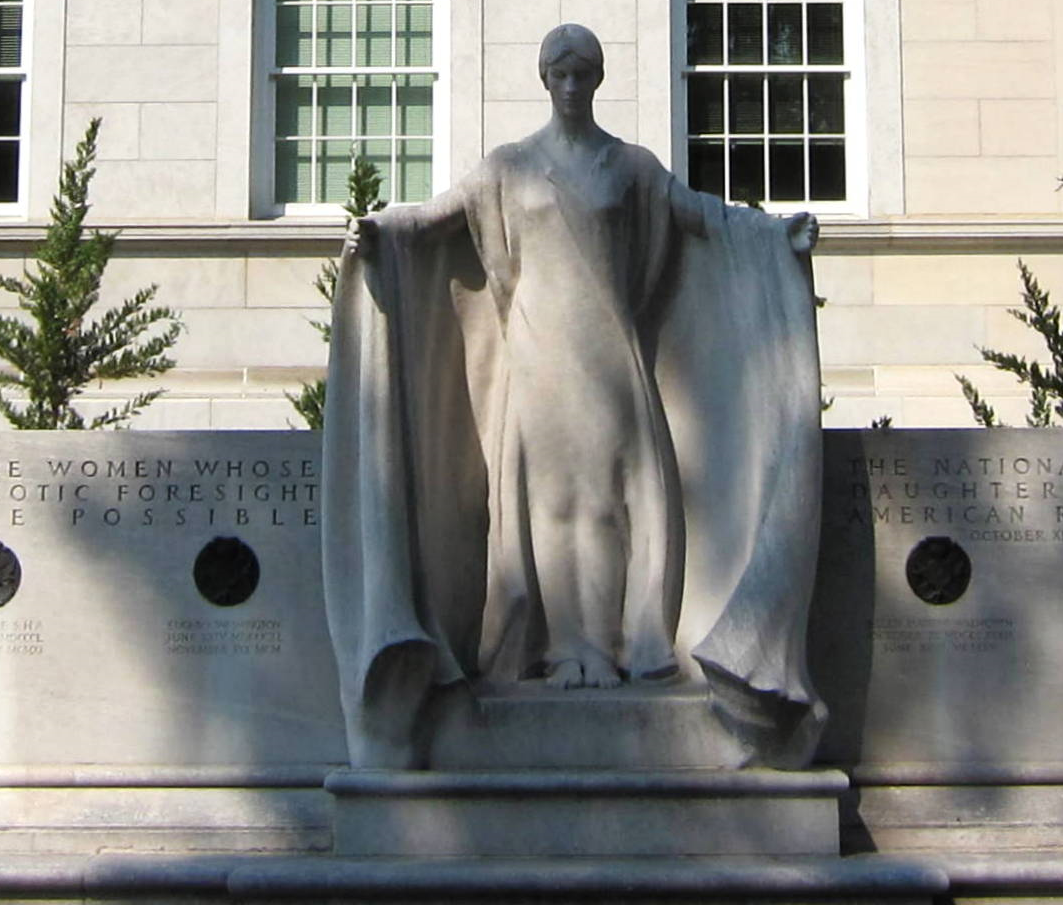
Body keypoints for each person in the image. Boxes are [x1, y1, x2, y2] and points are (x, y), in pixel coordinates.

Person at [324, 24, 824, 768]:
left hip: (609, 349)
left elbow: (706, 219)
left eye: (582, 72)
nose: (569, 84)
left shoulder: (630, 167)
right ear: (542, 79)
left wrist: (775, 236)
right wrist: (379, 231)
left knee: (618, 499)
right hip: (537, 351)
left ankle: (626, 643)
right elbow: (432, 219)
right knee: (548, 504)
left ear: (595, 80)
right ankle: (567, 649)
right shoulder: (507, 167)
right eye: (558, 72)